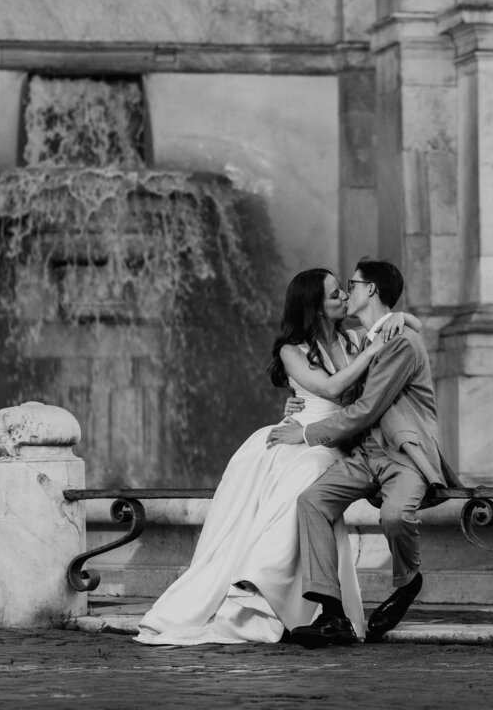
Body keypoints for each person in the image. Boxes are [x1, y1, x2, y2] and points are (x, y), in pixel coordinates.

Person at [134, 267, 421, 645]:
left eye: (344, 290)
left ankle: (288, 597)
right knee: (302, 488)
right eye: (335, 294)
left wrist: (399, 317)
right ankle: (258, 590)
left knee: (309, 488)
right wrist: (371, 353)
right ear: (315, 306)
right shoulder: (293, 350)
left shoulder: (353, 338)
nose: (343, 298)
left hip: (333, 439)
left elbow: (409, 327)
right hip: (298, 438)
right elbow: (334, 389)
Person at [266, 258, 459, 648]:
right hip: (365, 453)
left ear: (370, 290)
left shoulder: (400, 342)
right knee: (313, 502)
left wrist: (307, 433)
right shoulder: (368, 337)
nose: (345, 292)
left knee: (395, 515)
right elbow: (337, 384)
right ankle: (332, 614)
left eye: (350, 285)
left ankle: (408, 581)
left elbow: (366, 407)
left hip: (401, 453)